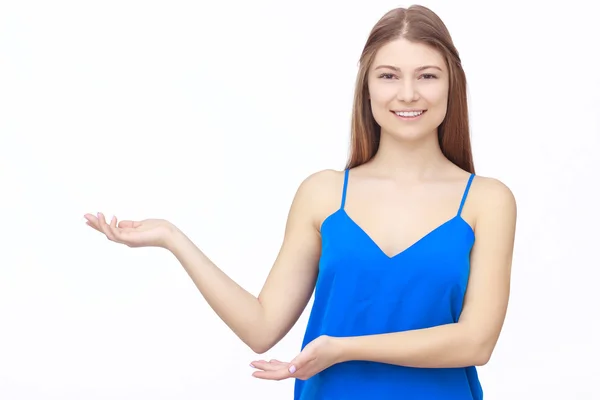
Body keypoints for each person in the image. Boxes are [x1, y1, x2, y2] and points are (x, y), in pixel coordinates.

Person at [84, 4, 517, 399]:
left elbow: (476, 342)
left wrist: (342, 348)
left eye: (427, 75)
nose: (407, 93)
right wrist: (172, 238)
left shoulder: (487, 201)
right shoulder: (323, 194)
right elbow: (261, 326)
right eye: (388, 75)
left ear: (451, 85)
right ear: (366, 87)